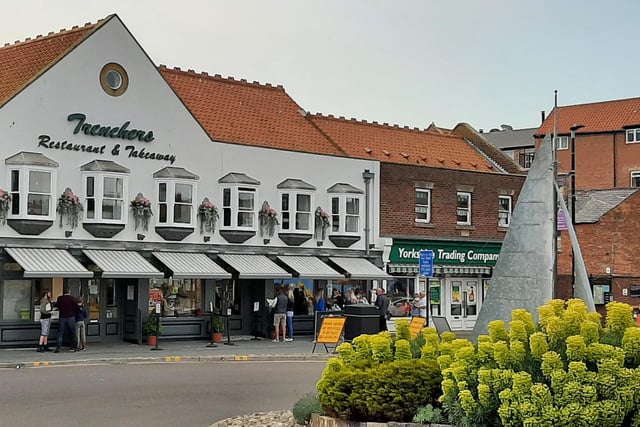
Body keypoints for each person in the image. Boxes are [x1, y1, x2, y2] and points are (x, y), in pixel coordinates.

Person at [55, 288, 78, 353]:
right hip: (71, 317)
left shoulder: (60, 298)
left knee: (60, 333)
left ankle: (58, 348)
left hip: (62, 317)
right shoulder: (72, 298)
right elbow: (76, 307)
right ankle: (74, 347)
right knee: (73, 332)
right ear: (69, 291)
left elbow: (58, 306)